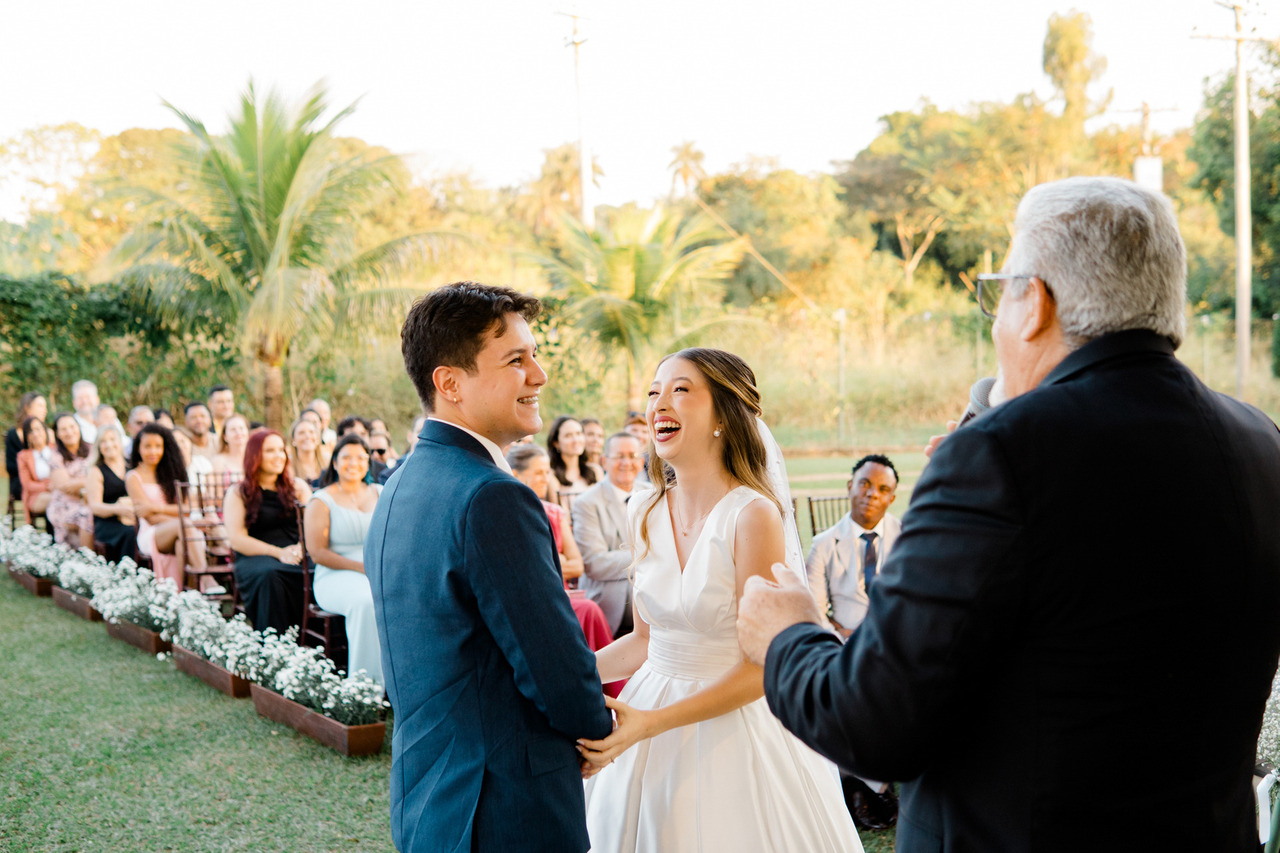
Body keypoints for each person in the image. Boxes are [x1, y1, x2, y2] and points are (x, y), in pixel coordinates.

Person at [738, 176, 1280, 853]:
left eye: (1002, 294)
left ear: (1034, 304)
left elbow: (875, 723)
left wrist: (788, 633)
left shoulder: (998, 455)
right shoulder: (1260, 440)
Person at [579, 347, 859, 853]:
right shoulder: (643, 508)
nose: (660, 403)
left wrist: (650, 725)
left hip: (734, 725)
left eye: (681, 390)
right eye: (653, 392)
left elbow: (760, 671)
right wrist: (567, 677)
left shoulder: (752, 516)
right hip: (646, 706)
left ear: (723, 417)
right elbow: (644, 640)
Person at [364, 282, 611, 853]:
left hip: (429, 798)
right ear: (450, 383)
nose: (540, 375)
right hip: (504, 808)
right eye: (516, 360)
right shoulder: (493, 497)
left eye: (535, 355)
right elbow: (550, 659)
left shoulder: (402, 482)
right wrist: (597, 727)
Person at [805, 453, 902, 831]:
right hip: (842, 644)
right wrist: (841, 635)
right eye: (864, 484)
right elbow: (813, 611)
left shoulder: (909, 536)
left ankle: (864, 780)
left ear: (892, 497)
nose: (871, 495)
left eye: (882, 489)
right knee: (846, 687)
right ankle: (866, 783)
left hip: (895, 642)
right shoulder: (824, 543)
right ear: (849, 486)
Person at [304, 433, 383, 687]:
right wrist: (362, 568)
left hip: (377, 572)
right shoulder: (321, 500)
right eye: (347, 457)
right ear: (335, 463)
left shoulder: (381, 493)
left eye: (361, 457)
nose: (354, 463)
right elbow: (317, 552)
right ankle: (364, 689)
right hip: (334, 575)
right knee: (365, 602)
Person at [224, 430, 311, 634]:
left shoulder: (298, 487)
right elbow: (237, 539)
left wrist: (300, 548)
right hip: (256, 556)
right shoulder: (238, 493)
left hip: (298, 552)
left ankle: (315, 642)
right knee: (270, 575)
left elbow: (311, 528)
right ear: (255, 456)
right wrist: (279, 553)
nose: (279, 455)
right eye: (270, 451)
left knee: (318, 571)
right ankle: (275, 642)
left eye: (281, 450)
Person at [570, 431, 644, 637]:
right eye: (619, 456)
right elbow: (595, 563)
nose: (626, 462)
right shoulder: (587, 503)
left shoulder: (654, 493)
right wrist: (648, 554)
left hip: (653, 603)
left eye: (632, 456)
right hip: (610, 606)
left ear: (641, 461)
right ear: (604, 461)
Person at [126, 423, 203, 587]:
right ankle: (205, 578)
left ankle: (185, 592)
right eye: (147, 446)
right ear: (138, 448)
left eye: (158, 446)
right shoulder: (133, 477)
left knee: (181, 541)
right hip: (151, 534)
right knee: (185, 527)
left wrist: (155, 507)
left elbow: (187, 510)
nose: (153, 452)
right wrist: (178, 516)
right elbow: (151, 519)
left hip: (179, 530)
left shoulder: (172, 474)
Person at [85, 426, 137, 563]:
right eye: (103, 441)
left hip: (132, 518)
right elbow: (94, 506)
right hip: (108, 524)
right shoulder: (96, 471)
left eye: (112, 439)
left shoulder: (132, 467)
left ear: (120, 442)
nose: (108, 444)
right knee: (130, 532)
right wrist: (118, 509)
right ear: (99, 447)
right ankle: (127, 573)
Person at [46, 412, 95, 548]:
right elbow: (65, 486)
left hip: (92, 499)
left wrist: (78, 483)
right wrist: (91, 482)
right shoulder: (55, 456)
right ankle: (88, 559)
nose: (69, 432)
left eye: (72, 427)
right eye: (64, 429)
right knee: (87, 515)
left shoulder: (92, 449)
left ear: (78, 428)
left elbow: (104, 474)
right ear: (58, 434)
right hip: (64, 505)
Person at [7, 392, 47, 504]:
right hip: (22, 482)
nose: (45, 410)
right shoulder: (14, 434)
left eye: (45, 406)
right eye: (40, 406)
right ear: (27, 408)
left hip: (46, 480)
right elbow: (11, 466)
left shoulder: (48, 434)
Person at [546, 414, 599, 500]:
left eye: (578, 433)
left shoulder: (595, 471)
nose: (576, 440)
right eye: (568, 435)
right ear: (556, 443)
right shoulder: (551, 477)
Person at [16, 417, 55, 523]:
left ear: (45, 430)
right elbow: (27, 484)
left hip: (58, 490)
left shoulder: (55, 449)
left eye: (38, 429)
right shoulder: (23, 456)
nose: (35, 434)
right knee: (55, 500)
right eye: (31, 431)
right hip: (36, 495)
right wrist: (46, 486)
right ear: (26, 436)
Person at [288, 416, 326, 488]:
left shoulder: (328, 462)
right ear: (293, 440)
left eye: (311, 432)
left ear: (318, 438)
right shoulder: (288, 467)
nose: (308, 436)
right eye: (301, 433)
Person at [211, 413, 249, 481]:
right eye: (233, 429)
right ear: (225, 436)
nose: (238, 432)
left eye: (241, 428)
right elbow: (216, 490)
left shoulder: (256, 458)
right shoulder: (218, 461)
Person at [71, 379, 99, 445]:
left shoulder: (109, 418)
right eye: (80, 398)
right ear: (74, 403)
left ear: (97, 399)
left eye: (88, 397)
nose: (84, 401)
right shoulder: (71, 427)